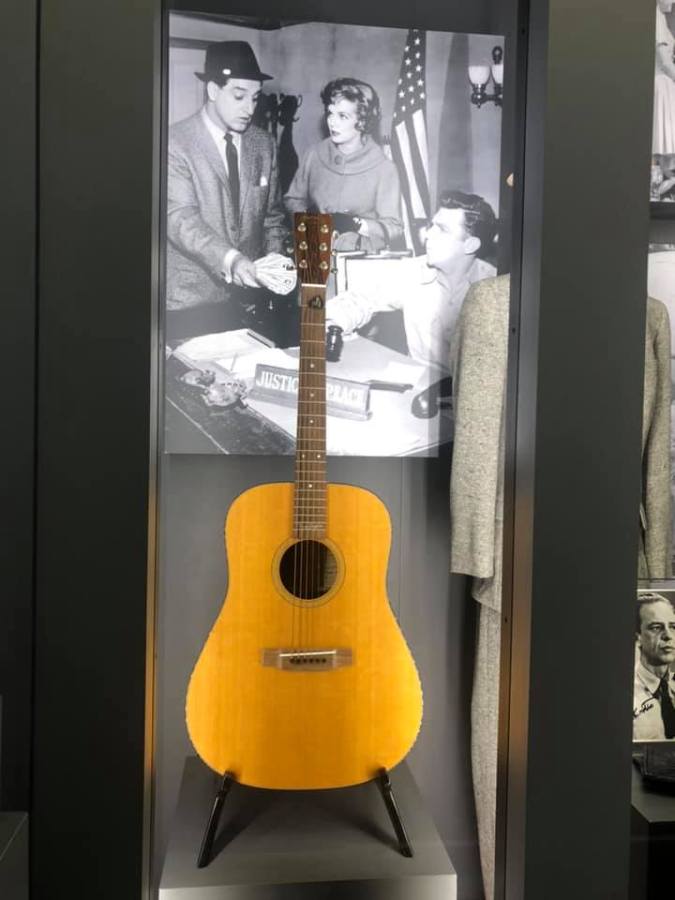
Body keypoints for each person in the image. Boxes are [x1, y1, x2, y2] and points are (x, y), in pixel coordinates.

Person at [166, 41, 288, 341]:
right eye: (239, 96)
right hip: (190, 304)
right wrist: (232, 260)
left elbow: (272, 217)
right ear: (212, 90)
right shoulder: (174, 143)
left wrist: (276, 265)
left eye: (255, 98)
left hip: (248, 304)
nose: (250, 108)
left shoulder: (264, 145)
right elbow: (181, 219)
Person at [325, 190, 497, 368]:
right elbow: (361, 299)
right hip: (419, 380)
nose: (428, 235)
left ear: (470, 245)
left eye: (443, 229)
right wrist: (333, 321)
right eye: (432, 226)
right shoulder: (412, 272)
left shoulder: (496, 290)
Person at [284, 78, 403, 252]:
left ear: (362, 121)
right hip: (315, 253)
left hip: (360, 258)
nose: (332, 122)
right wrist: (310, 223)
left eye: (342, 116)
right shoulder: (314, 155)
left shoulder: (384, 168)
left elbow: (394, 228)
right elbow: (293, 199)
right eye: (330, 113)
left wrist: (357, 224)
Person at [633, 592, 675, 740]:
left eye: (673, 627)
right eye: (656, 627)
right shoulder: (627, 693)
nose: (668, 635)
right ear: (637, 636)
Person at [652, 1, 675, 199]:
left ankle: (665, 184)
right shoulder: (656, 18)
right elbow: (665, 62)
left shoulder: (663, 19)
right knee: (660, 141)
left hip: (667, 85)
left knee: (666, 144)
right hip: (661, 85)